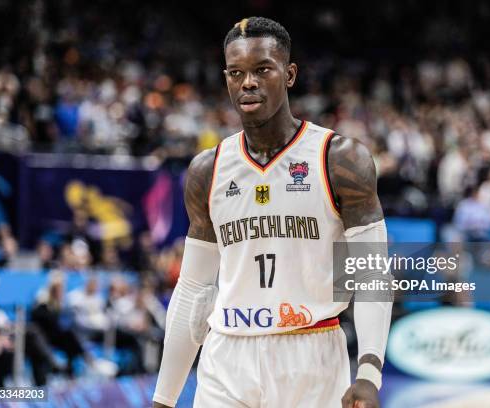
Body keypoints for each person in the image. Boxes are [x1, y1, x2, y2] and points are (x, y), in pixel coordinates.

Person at [153, 17, 392, 408]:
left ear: (289, 74)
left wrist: (369, 371)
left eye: (262, 69)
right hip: (226, 356)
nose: (248, 82)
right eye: (236, 73)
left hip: (311, 352)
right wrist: (163, 399)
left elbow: (371, 271)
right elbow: (194, 290)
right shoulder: (206, 169)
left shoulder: (340, 159)